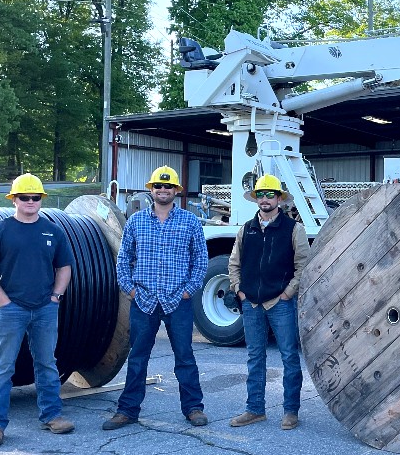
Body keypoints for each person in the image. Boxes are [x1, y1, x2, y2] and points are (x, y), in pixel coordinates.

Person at [0, 173, 75, 448]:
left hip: (44, 309)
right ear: (14, 199)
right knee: (2, 367)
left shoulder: (53, 231)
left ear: (41, 199)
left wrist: (56, 296)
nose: (30, 202)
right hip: (11, 310)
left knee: (46, 364)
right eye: (24, 197)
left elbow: (64, 267)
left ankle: (52, 416)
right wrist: (4, 302)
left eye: (35, 197)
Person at [104, 165, 210, 430]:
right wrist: (130, 290)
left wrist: (189, 290)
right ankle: (127, 410)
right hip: (144, 301)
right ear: (152, 190)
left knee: (185, 356)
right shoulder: (136, 222)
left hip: (178, 302)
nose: (163, 190)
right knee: (138, 357)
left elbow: (201, 260)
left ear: (176, 191)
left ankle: (193, 408)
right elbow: (123, 259)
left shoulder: (190, 222)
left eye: (168, 186)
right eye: (158, 186)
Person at [227, 174, 310, 430]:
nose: (265, 199)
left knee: (288, 357)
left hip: (280, 303)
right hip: (251, 303)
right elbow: (234, 264)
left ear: (279, 199)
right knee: (255, 357)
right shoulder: (246, 229)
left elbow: (304, 267)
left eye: (270, 194)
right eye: (260, 195)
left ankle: (290, 411)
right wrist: (239, 291)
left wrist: (287, 294)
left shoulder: (294, 230)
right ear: (256, 199)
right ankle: (255, 409)